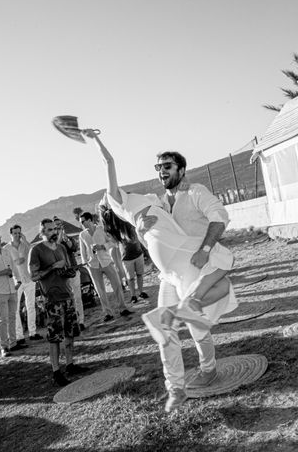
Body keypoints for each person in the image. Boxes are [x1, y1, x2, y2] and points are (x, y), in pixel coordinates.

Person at [82, 129, 237, 412]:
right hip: (171, 273)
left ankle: (208, 368)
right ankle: (175, 388)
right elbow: (110, 168)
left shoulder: (186, 194)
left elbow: (219, 219)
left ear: (181, 169)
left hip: (194, 263)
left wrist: (203, 251)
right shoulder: (138, 205)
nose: (161, 171)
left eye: (166, 166)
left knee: (194, 323)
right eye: (158, 167)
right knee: (164, 330)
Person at [29, 218, 87, 386]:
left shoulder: (61, 247)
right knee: (55, 338)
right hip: (52, 300)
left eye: (54, 229)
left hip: (67, 296)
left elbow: (65, 270)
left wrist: (70, 271)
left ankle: (70, 365)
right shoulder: (36, 250)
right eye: (48, 230)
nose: (53, 232)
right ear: (42, 233)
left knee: (70, 334)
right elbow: (33, 276)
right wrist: (53, 267)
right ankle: (56, 372)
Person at [79, 212, 132, 322]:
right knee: (100, 290)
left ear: (89, 220)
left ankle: (123, 308)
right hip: (93, 265)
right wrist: (86, 263)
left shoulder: (102, 229)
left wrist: (103, 246)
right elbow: (82, 251)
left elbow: (113, 242)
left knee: (117, 285)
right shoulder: (82, 235)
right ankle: (108, 313)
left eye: (83, 221)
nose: (81, 224)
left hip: (107, 262)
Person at [100, 206, 149, 304]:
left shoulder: (131, 224)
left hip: (138, 253)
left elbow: (139, 237)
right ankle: (133, 295)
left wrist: (145, 251)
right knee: (130, 278)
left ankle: (140, 292)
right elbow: (111, 235)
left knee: (140, 274)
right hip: (126, 257)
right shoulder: (117, 229)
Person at [4, 225, 42, 342]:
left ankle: (32, 333)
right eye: (15, 233)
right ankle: (19, 336)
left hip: (29, 279)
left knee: (31, 306)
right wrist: (15, 262)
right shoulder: (6, 248)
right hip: (16, 281)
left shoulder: (25, 245)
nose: (17, 235)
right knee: (15, 310)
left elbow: (34, 252)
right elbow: (5, 264)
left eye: (19, 233)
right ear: (11, 234)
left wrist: (25, 240)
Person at [53, 217, 85, 331]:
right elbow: (56, 248)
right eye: (56, 227)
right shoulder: (52, 243)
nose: (58, 228)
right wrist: (60, 236)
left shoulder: (68, 238)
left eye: (60, 226)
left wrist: (65, 238)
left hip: (74, 271)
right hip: (62, 276)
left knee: (77, 298)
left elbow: (73, 248)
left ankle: (81, 321)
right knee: (67, 300)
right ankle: (72, 322)